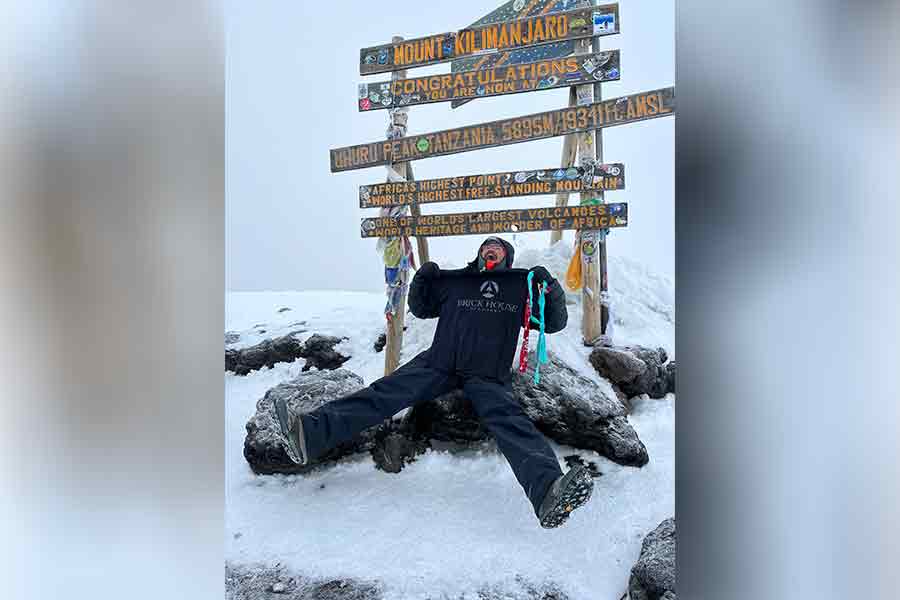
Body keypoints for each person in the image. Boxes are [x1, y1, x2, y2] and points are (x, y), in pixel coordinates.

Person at [273, 236, 594, 528]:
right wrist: (422, 279)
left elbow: (553, 323)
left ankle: (549, 493)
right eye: (486, 246)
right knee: (381, 394)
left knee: (512, 423)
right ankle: (308, 434)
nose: (490, 249)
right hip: (438, 363)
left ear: (507, 257)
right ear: (479, 253)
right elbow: (422, 307)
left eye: (497, 247)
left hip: (487, 374)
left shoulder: (519, 286)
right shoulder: (458, 283)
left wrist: (549, 288)